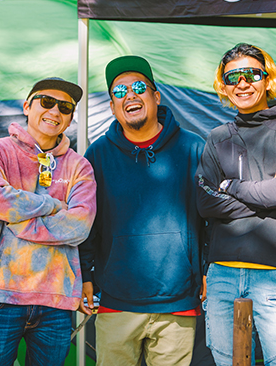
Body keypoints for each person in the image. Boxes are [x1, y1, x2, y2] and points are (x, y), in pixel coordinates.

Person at [79, 55, 205, 366]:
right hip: (116, 300)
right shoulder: (97, 155)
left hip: (177, 301)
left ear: (156, 96)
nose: (130, 96)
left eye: (138, 87)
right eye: (119, 91)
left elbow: (211, 218)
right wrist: (84, 274)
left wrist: (207, 268)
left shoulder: (193, 148)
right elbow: (86, 222)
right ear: (112, 107)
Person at [196, 43, 276, 366]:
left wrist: (230, 186)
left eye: (251, 74)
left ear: (268, 79)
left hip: (275, 273)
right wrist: (268, 196)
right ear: (223, 86)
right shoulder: (217, 138)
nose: (242, 83)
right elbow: (205, 203)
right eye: (232, 77)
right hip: (222, 274)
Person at [0, 77, 97, 366]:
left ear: (70, 118)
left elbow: (79, 225)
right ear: (27, 106)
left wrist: (17, 221)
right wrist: (52, 205)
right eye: (47, 102)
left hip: (56, 299)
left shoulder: (79, 166)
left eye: (65, 107)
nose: (55, 111)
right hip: (1, 294)